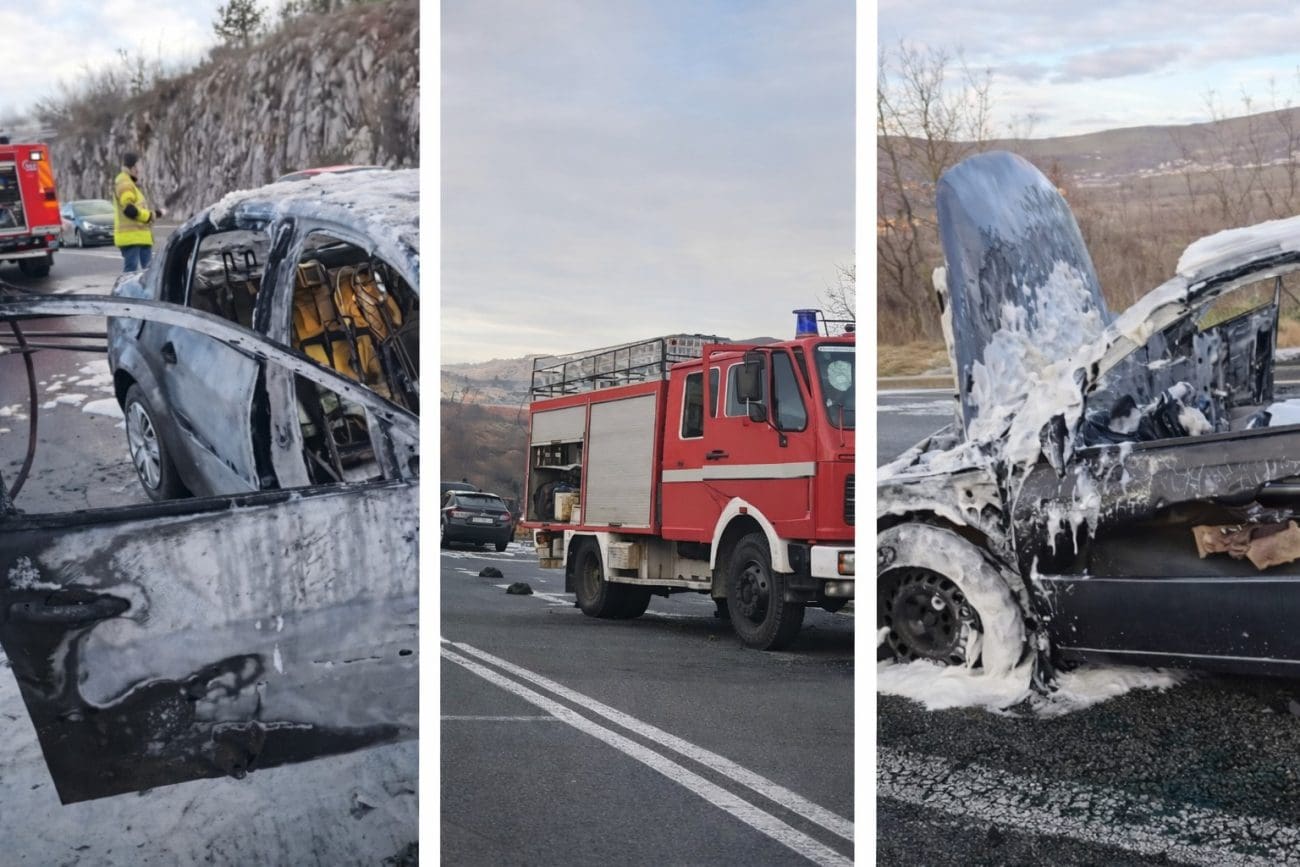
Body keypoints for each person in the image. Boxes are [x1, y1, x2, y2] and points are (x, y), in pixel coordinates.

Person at [113, 152, 164, 272]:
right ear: (132, 167)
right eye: (138, 166)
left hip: (141, 237)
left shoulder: (131, 184)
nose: (139, 170)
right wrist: (149, 216)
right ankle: (126, 291)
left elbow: (138, 209)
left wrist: (155, 214)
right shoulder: (124, 183)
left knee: (149, 274)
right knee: (131, 273)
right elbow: (129, 210)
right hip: (131, 238)